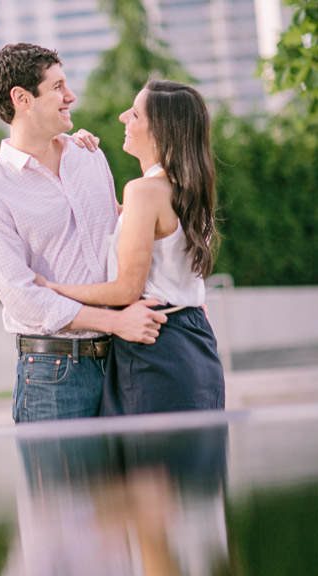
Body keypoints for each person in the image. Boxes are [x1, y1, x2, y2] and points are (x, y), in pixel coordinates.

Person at [0, 43, 167, 423]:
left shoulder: (89, 156)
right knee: (65, 484)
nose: (70, 96)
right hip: (53, 374)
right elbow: (22, 298)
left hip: (126, 361)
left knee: (131, 484)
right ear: (22, 98)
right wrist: (114, 321)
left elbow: (124, 239)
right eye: (57, 87)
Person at [37, 80, 225, 414]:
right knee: (194, 463)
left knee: (149, 464)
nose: (124, 117)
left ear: (162, 130)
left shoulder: (144, 191)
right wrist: (73, 152)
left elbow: (126, 290)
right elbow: (107, 214)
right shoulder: (188, 190)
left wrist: (55, 289)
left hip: (155, 347)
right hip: (194, 343)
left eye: (135, 114)